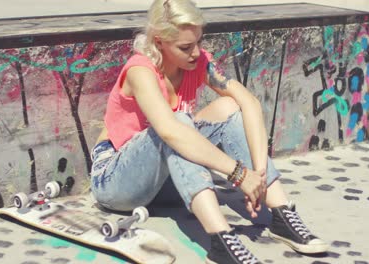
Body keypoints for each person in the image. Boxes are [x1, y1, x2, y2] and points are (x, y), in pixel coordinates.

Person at [90, 0, 329, 263]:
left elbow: (248, 102)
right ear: (159, 42)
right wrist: (238, 174)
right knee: (178, 123)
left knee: (229, 106)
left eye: (199, 43)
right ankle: (220, 240)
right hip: (115, 179)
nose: (196, 53)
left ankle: (281, 214)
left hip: (165, 181)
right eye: (185, 47)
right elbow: (170, 131)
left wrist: (257, 176)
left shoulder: (198, 63)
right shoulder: (140, 70)